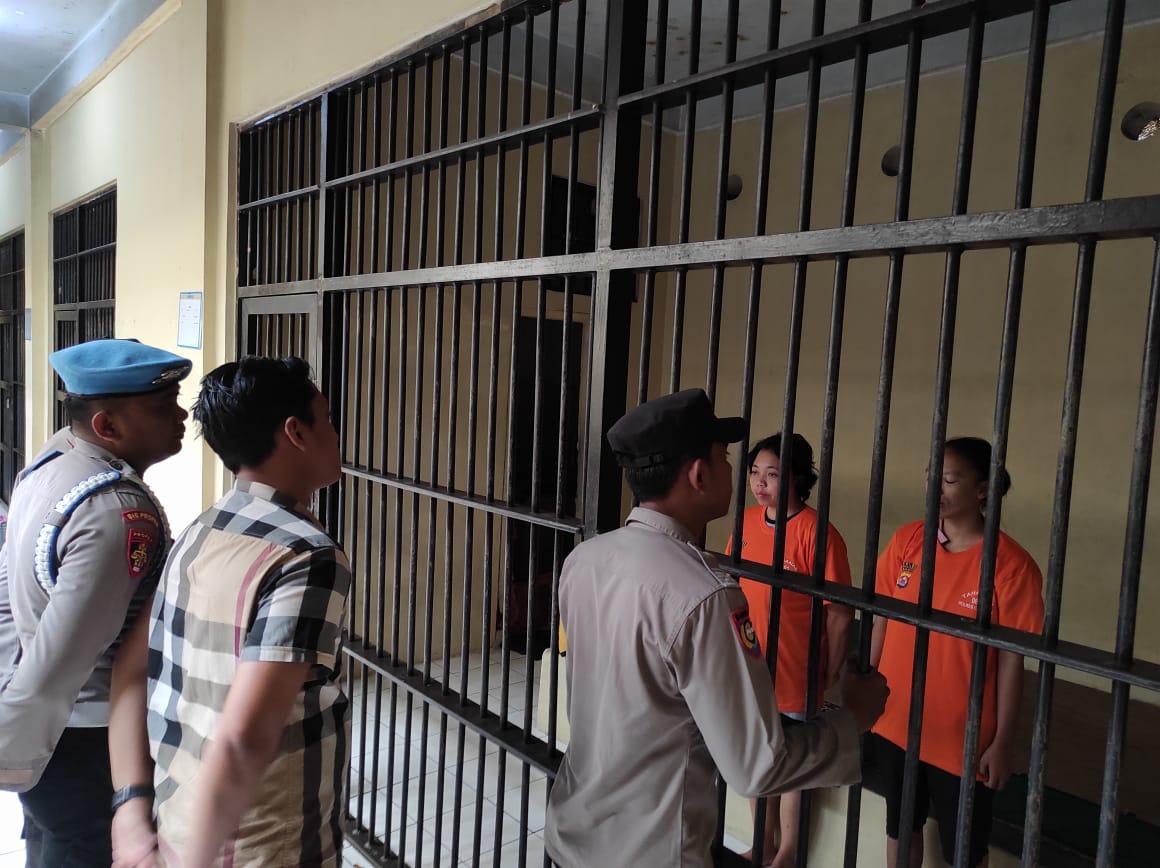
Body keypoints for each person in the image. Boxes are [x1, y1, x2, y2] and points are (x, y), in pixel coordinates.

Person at [544, 388, 889, 868]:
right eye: (726, 459)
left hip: (573, 832)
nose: (740, 475)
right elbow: (756, 766)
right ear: (699, 475)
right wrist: (853, 720)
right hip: (652, 853)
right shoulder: (704, 595)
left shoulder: (585, 559)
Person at [108, 356, 351, 868]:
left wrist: (129, 805)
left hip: (175, 818)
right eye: (326, 419)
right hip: (266, 841)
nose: (335, 433)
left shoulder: (201, 528)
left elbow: (129, 670)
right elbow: (246, 739)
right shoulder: (307, 556)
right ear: (296, 432)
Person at [0, 338, 191, 866]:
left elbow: (7, 590)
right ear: (107, 425)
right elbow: (66, 655)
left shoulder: (55, 460)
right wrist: (17, 747)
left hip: (45, 719)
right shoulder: (115, 514)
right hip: (83, 734)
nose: (181, 416)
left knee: (50, 840)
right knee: (81, 848)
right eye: (163, 407)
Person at [869, 437, 1044, 868]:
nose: (934, 488)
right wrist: (865, 687)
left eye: (948, 480)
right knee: (900, 828)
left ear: (982, 490)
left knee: (964, 849)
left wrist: (1002, 741)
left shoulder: (1010, 565)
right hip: (898, 720)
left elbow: (1011, 661)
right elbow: (881, 619)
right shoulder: (909, 541)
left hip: (962, 738)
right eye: (931, 476)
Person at [726, 432, 854, 868]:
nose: (760, 482)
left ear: (798, 478)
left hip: (798, 668)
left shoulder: (818, 533)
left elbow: (839, 614)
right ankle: (762, 843)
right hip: (751, 664)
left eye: (773, 474)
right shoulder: (745, 522)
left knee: (796, 765)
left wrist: (830, 669)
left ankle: (789, 853)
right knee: (757, 758)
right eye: (755, 472)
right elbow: (730, 586)